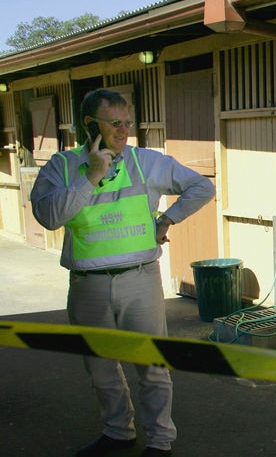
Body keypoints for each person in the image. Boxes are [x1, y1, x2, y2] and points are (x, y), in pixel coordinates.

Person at [30, 88, 215, 457]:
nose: (123, 131)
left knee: (152, 366)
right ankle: (118, 433)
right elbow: (49, 217)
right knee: (100, 368)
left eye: (127, 123)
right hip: (88, 286)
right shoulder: (62, 167)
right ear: (89, 124)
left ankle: (161, 442)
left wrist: (166, 219)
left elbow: (202, 186)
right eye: (114, 123)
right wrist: (91, 178)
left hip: (140, 279)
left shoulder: (146, 161)